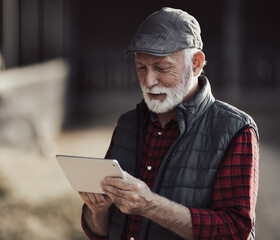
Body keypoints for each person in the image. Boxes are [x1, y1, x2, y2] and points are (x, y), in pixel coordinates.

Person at [79, 7, 259, 240]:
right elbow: (98, 231)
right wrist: (98, 211)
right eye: (141, 67)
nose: (149, 81)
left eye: (162, 68)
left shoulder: (235, 130)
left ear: (196, 63)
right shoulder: (127, 124)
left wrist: (150, 205)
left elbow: (236, 232)